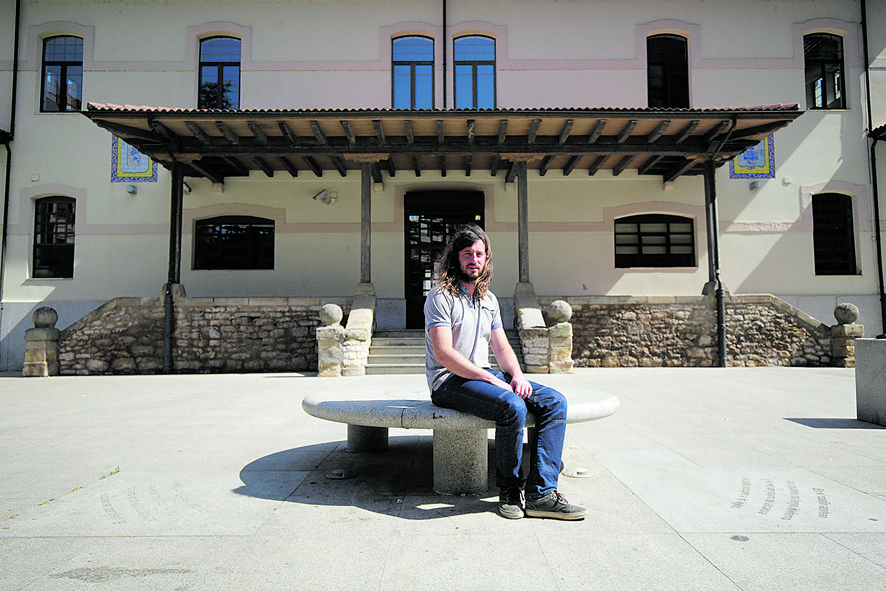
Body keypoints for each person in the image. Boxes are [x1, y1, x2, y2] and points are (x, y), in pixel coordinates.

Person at [424, 224, 588, 520]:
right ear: (455, 258)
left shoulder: (488, 300)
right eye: (467, 253)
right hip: (448, 381)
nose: (474, 260)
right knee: (512, 406)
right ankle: (510, 490)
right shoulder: (440, 296)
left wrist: (517, 376)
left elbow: (501, 347)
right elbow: (443, 353)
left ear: (486, 259)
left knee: (554, 402)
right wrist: (490, 378)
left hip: (482, 375)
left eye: (479, 254)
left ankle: (541, 495)